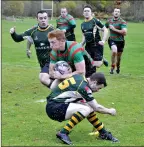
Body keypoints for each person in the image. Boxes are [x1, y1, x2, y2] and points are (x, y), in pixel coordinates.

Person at [46, 72, 119, 145]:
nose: (98, 90)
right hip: (54, 109)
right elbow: (97, 107)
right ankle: (63, 132)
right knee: (86, 109)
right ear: (94, 82)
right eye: (99, 87)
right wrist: (110, 111)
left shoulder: (80, 77)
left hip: (54, 104)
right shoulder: (84, 88)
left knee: (88, 106)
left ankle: (103, 133)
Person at [10, 10, 55, 88]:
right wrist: (13, 33)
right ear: (37, 19)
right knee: (51, 80)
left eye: (45, 18)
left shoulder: (53, 30)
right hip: (42, 61)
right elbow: (18, 38)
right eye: (41, 18)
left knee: (43, 78)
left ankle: (59, 91)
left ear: (48, 18)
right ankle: (61, 91)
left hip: (53, 60)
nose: (43, 20)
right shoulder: (32, 31)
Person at [81, 5, 109, 76]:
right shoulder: (82, 24)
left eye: (88, 11)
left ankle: (102, 59)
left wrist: (103, 40)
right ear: (83, 13)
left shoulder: (95, 21)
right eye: (85, 11)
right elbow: (84, 35)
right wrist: (81, 44)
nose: (86, 12)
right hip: (88, 47)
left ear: (91, 13)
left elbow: (105, 29)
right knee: (88, 65)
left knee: (97, 65)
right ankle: (89, 79)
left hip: (97, 45)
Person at [105, 8, 127, 74]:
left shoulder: (122, 22)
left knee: (119, 57)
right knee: (114, 51)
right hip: (112, 39)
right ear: (113, 13)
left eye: (118, 12)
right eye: (115, 11)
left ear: (120, 14)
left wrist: (114, 29)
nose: (116, 12)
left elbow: (124, 33)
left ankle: (118, 66)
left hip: (120, 41)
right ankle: (112, 67)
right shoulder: (109, 21)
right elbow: (104, 28)